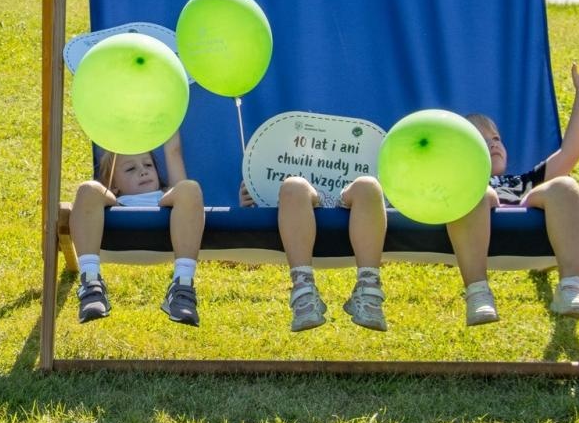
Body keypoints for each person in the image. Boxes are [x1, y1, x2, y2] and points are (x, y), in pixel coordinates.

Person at [445, 57, 579, 326]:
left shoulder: (523, 181)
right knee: (476, 193)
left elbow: (569, 154)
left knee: (564, 185)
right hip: (473, 222)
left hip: (530, 222)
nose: (493, 144)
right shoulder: (456, 185)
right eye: (481, 141)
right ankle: (478, 292)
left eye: (496, 139)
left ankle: (571, 287)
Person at [71, 132, 205, 326]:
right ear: (113, 184)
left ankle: (182, 286)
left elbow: (173, 152)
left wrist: (168, 119)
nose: (143, 171)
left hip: (171, 226)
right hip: (120, 223)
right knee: (87, 189)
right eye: (130, 169)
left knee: (190, 188)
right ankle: (91, 284)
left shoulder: (169, 197)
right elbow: (94, 194)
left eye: (148, 165)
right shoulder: (114, 202)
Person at [239, 174, 388, 332]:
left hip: (352, 197)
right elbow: (266, 172)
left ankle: (369, 288)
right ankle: (303, 290)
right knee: (293, 186)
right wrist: (255, 195)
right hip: (296, 205)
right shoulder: (267, 153)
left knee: (368, 185)